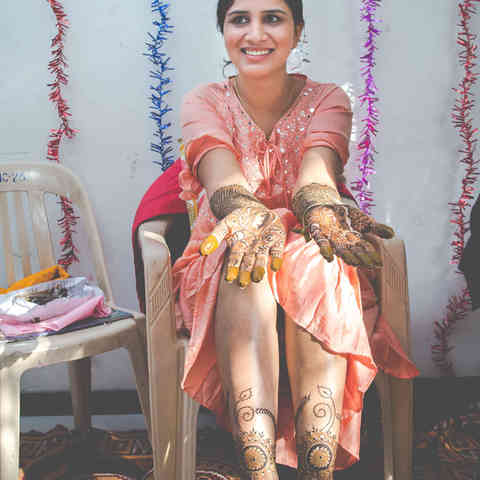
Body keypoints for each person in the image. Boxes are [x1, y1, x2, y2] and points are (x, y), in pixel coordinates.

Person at [172, 0, 419, 478]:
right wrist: (248, 215)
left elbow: (316, 174)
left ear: (298, 30)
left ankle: (315, 471)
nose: (255, 33)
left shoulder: (328, 99)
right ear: (223, 30)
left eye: (273, 18)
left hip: (312, 242)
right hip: (226, 252)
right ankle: (260, 472)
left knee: (317, 264)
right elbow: (222, 178)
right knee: (245, 263)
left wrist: (321, 210)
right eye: (239, 19)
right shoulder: (203, 101)